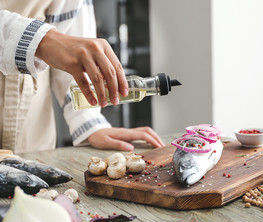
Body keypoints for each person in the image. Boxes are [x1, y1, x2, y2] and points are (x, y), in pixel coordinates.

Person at [0, 0, 164, 153]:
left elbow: (70, 25)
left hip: (30, 132)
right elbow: (56, 44)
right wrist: (40, 41)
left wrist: (89, 122)